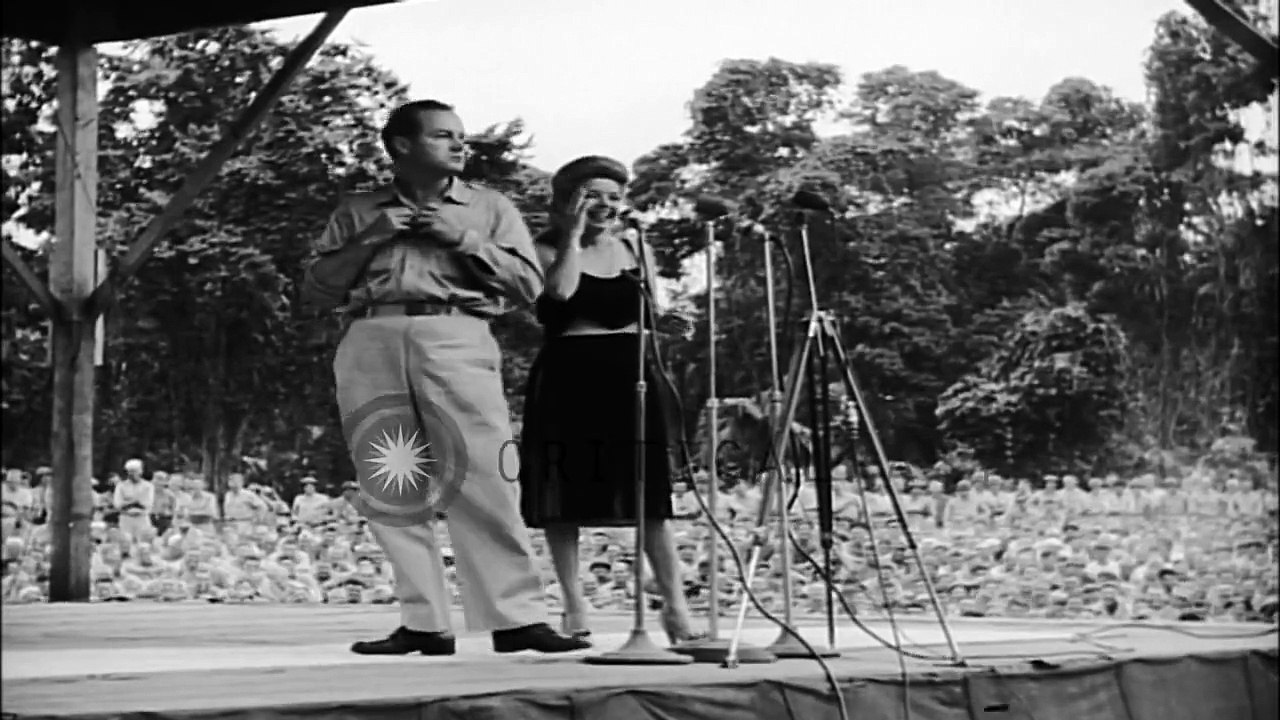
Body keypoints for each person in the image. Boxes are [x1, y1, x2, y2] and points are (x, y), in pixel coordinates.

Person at [299, 99, 587, 656]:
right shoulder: (358, 210)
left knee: (485, 473)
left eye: (461, 136)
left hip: (457, 332)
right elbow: (316, 290)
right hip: (371, 335)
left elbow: (530, 286)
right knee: (391, 481)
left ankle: (516, 618)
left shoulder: (489, 207)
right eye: (442, 135)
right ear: (402, 145)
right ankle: (424, 622)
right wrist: (370, 238)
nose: (459, 145)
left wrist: (465, 239)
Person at [518, 155, 701, 644]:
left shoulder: (635, 245)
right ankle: (574, 604)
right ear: (567, 201)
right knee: (563, 491)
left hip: (631, 371)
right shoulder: (542, 249)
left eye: (614, 197)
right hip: (570, 373)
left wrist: (667, 324)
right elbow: (560, 293)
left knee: (650, 495)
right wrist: (574, 236)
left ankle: (676, 607)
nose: (605, 205)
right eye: (592, 195)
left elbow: (649, 308)